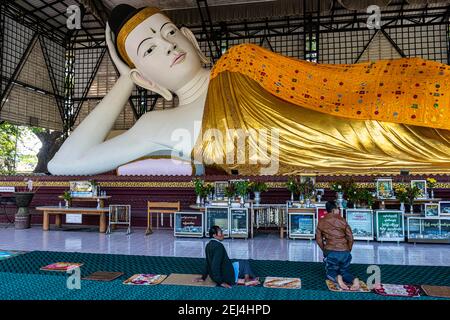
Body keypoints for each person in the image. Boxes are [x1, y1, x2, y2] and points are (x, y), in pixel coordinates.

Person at [48, 4, 450, 176]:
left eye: (169, 32)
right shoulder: (158, 122)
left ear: (191, 38)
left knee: (399, 103)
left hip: (342, 114)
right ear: (148, 79)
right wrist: (123, 82)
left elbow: (321, 84)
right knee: (388, 131)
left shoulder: (241, 60)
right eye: (148, 50)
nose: (168, 45)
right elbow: (65, 163)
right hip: (338, 147)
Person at [316, 201, 360, 291]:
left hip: (330, 251)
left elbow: (319, 240)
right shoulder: (342, 220)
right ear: (333, 210)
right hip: (345, 252)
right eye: (337, 209)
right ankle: (354, 280)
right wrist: (348, 249)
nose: (339, 211)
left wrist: (325, 250)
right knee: (345, 271)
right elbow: (350, 237)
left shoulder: (321, 222)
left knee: (330, 272)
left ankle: (337, 278)